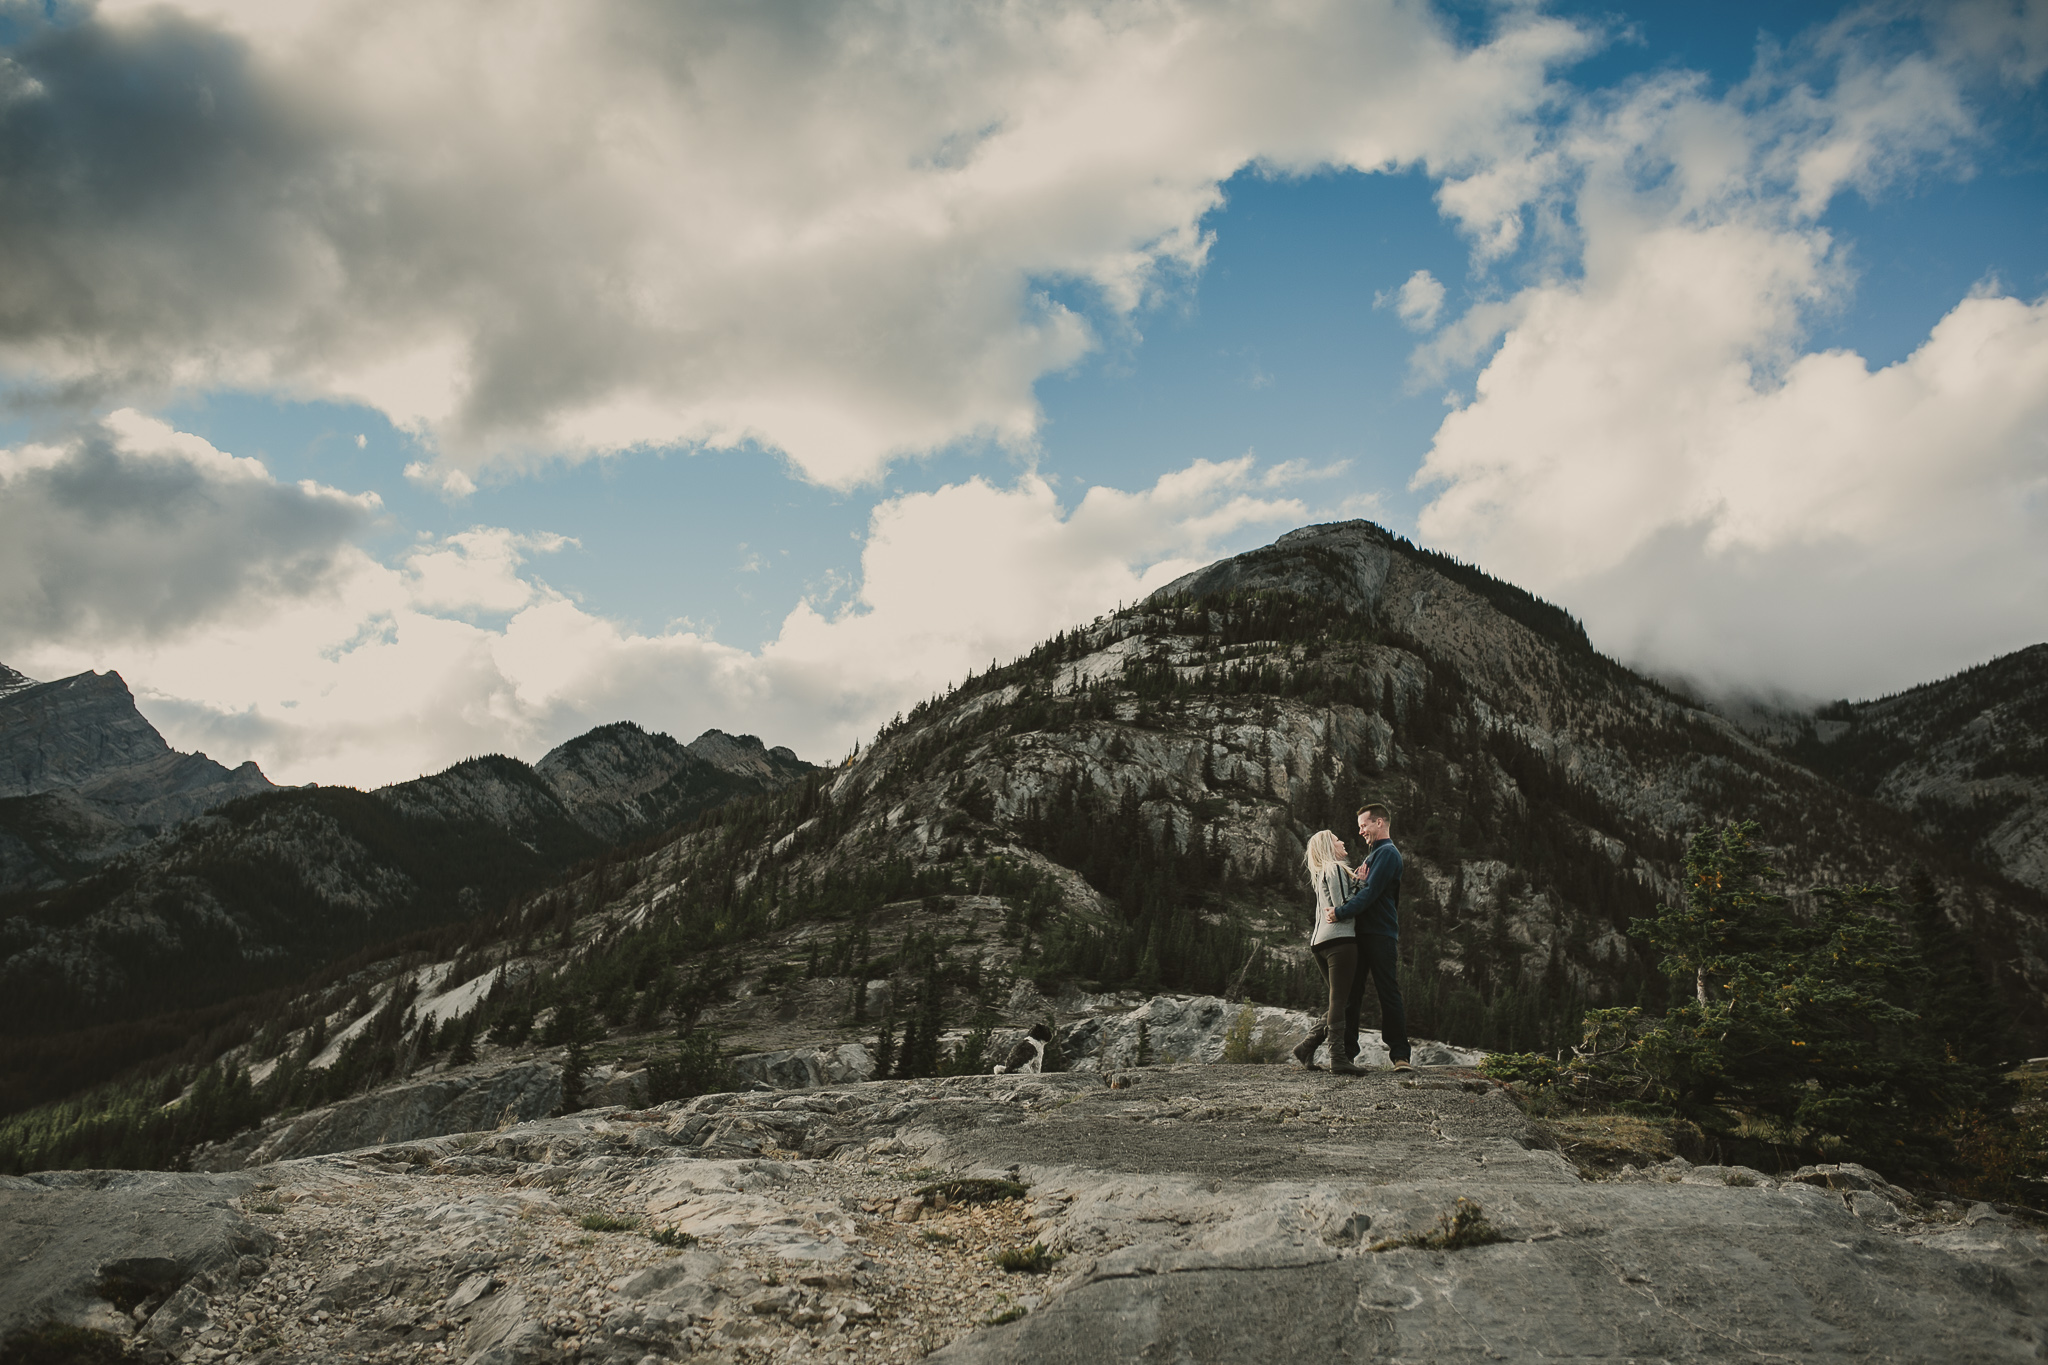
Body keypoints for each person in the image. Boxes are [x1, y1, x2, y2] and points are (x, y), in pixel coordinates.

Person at [1327, 802, 1412, 1073]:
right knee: (1352, 994)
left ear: (1379, 822)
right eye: (1359, 827)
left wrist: (1339, 913)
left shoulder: (1387, 853)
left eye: (1364, 825)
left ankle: (1400, 1056)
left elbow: (1370, 893)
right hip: (1360, 933)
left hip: (1380, 934)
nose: (1361, 831)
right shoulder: (1371, 857)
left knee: (1388, 992)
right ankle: (1347, 1055)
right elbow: (1363, 889)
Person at [1293, 828, 1367, 1075]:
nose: (1342, 841)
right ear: (1328, 846)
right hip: (1340, 940)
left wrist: (1354, 882)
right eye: (1337, 839)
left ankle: (1307, 1046)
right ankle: (1337, 1057)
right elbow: (1343, 906)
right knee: (1340, 1000)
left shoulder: (1320, 873)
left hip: (1320, 943)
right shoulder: (1334, 868)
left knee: (1340, 999)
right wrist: (1362, 883)